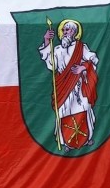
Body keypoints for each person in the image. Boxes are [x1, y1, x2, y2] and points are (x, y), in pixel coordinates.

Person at [39, 20, 99, 149]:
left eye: (69, 30)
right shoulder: (57, 49)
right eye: (65, 30)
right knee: (63, 112)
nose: (66, 32)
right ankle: (66, 142)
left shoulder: (81, 47)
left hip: (78, 86)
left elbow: (93, 59)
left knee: (84, 108)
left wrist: (82, 68)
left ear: (75, 32)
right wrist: (46, 41)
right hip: (63, 87)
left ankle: (87, 138)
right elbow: (51, 64)